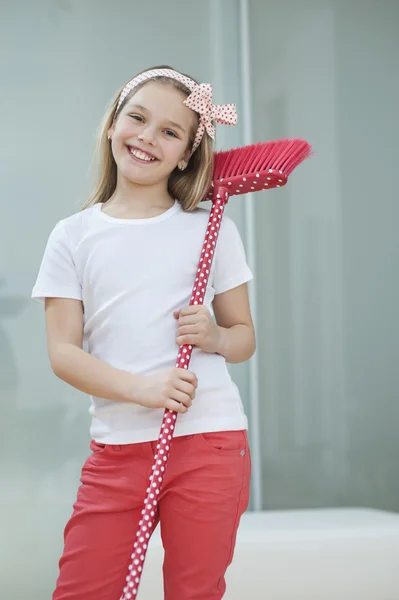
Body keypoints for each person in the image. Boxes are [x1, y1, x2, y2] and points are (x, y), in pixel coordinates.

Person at [32, 66, 256, 600]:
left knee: (193, 591)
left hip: (209, 442)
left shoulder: (211, 228)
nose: (147, 137)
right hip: (118, 451)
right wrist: (144, 389)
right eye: (137, 118)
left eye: (170, 131)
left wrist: (216, 337)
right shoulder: (73, 236)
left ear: (185, 155)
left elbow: (244, 336)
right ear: (113, 125)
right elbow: (63, 353)